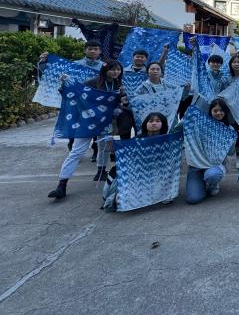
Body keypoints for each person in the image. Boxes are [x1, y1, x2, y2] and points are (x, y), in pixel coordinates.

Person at [47, 61, 127, 200]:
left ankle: (101, 171)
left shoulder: (119, 85)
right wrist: (66, 83)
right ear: (105, 70)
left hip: (107, 122)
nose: (116, 72)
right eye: (112, 69)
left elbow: (122, 103)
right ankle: (61, 185)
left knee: (104, 148)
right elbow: (76, 92)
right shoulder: (92, 82)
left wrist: (122, 101)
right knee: (77, 152)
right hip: (87, 121)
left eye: (118, 70)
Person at [38, 40, 104, 158]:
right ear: (85, 50)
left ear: (100, 51)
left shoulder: (105, 67)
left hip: (95, 101)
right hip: (76, 100)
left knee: (96, 125)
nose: (93, 51)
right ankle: (72, 146)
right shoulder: (74, 64)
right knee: (74, 124)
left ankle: (96, 149)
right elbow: (54, 72)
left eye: (95, 49)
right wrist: (44, 61)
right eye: (90, 49)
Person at [102, 112, 169, 211]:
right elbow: (124, 156)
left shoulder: (168, 140)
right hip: (136, 175)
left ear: (163, 124)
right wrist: (112, 145)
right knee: (119, 201)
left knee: (167, 200)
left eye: (157, 121)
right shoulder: (137, 139)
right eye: (151, 121)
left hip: (158, 174)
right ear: (145, 124)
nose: (154, 123)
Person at [185, 98, 236, 204]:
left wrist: (232, 142)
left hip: (215, 165)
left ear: (226, 112)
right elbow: (184, 130)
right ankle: (200, 183)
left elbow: (231, 153)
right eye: (215, 110)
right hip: (196, 166)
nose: (218, 113)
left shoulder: (229, 129)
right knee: (193, 199)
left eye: (221, 110)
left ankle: (212, 185)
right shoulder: (200, 125)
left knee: (212, 175)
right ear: (210, 111)